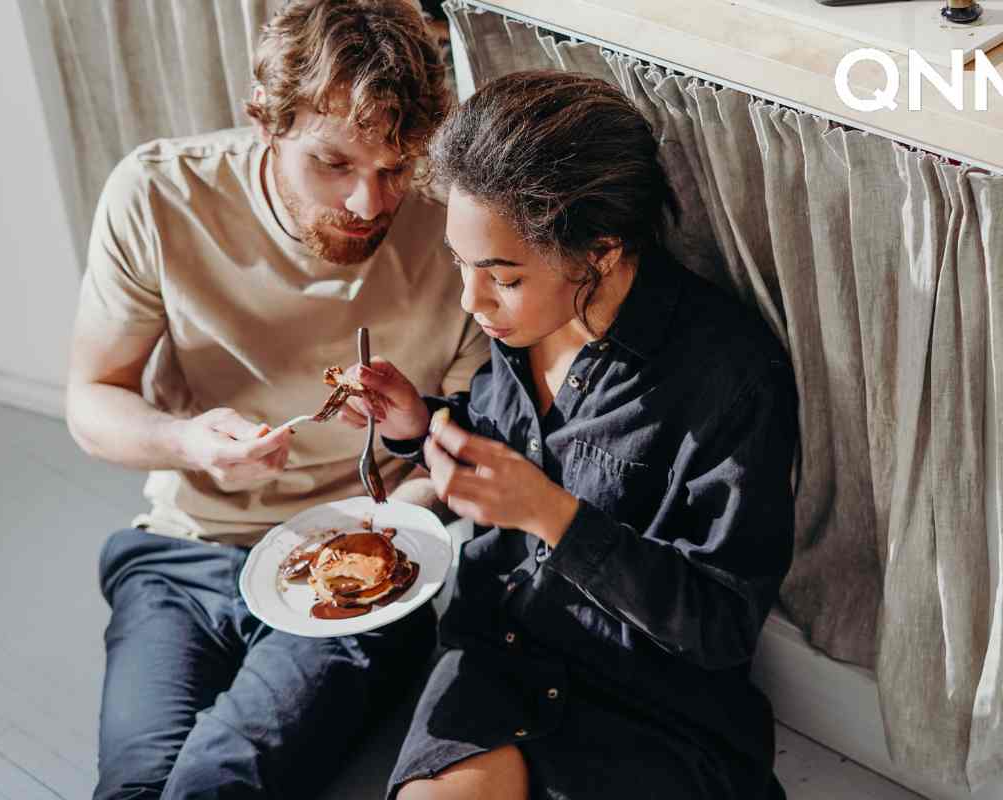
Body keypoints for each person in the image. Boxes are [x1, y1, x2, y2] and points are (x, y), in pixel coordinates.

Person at [64, 1, 488, 796]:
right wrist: (189, 445)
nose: (370, 205)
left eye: (396, 169)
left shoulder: (455, 225)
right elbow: (92, 400)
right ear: (267, 122)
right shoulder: (159, 196)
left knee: (217, 785)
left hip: (367, 567)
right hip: (186, 552)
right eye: (335, 165)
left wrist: (397, 518)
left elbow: (462, 443)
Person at [341, 71, 799, 799]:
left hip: (652, 704)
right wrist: (419, 427)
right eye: (460, 265)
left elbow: (719, 627)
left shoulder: (730, 376)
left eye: (502, 276)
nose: (473, 300)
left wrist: (553, 516)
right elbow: (502, 447)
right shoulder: (520, 324)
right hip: (500, 657)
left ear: (603, 252)